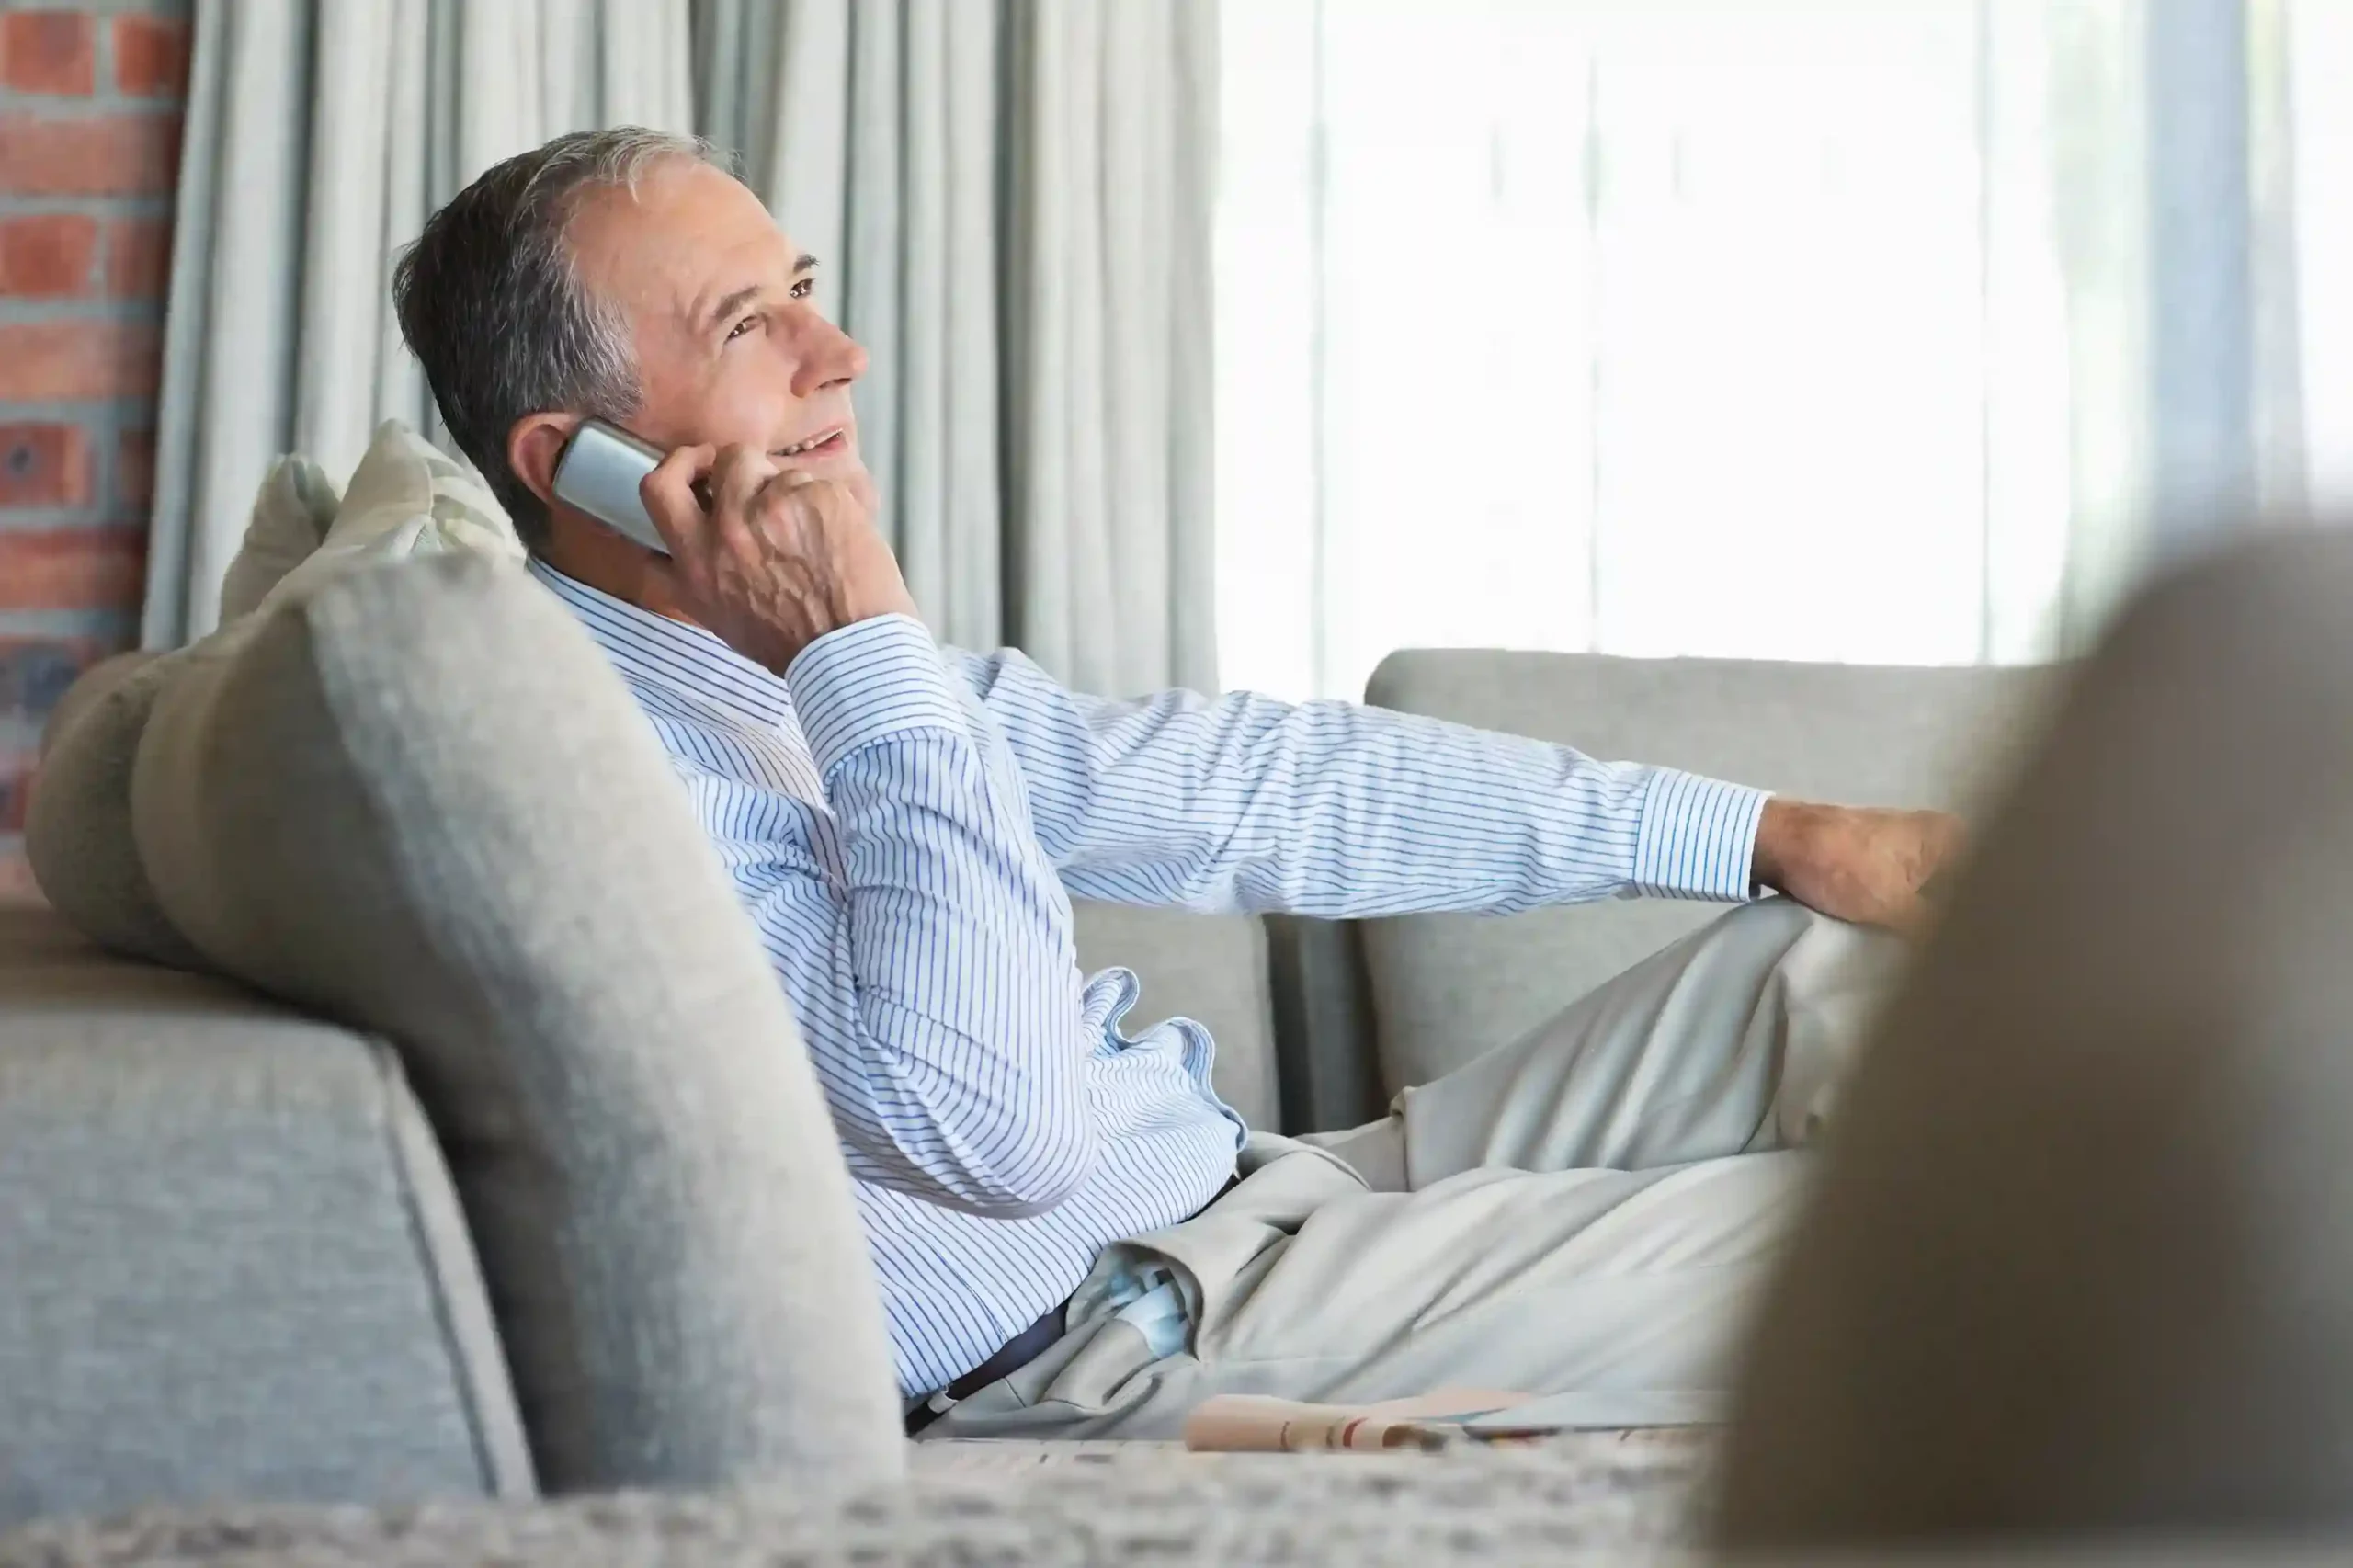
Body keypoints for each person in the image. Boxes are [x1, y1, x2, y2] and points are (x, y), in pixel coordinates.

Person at [392, 127, 1963, 1437]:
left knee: (1852, 951)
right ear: (574, 460)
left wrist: (1772, 832)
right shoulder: (593, 783)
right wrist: (858, 639)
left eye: (805, 289)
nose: (840, 352)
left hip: (1275, 1201)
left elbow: (1254, 786)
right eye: (751, 326)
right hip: (1120, 1340)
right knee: (1946, 1230)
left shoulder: (765, 673)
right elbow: (993, 1135)